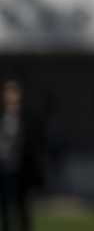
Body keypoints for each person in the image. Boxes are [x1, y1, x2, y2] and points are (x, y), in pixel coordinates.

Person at [0, 79, 41, 231]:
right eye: (7, 93)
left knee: (22, 206)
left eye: (13, 93)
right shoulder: (2, 117)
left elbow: (34, 143)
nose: (10, 96)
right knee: (5, 207)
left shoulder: (27, 117)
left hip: (22, 169)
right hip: (3, 169)